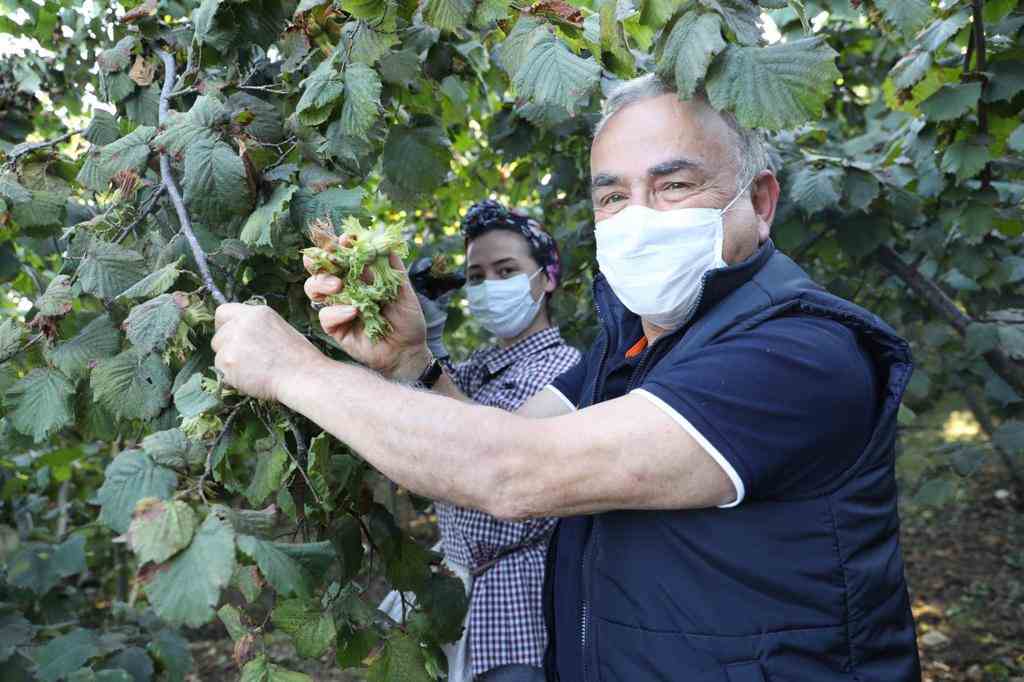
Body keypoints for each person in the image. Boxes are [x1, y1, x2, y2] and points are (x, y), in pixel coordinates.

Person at [212, 74, 922, 680]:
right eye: (611, 197)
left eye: (673, 184)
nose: (637, 217)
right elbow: (493, 456)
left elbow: (514, 474)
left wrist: (292, 370)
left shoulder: (798, 353)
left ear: (761, 203)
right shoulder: (626, 355)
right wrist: (409, 361)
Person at [380, 200, 580, 682]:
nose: (490, 285)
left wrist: (424, 354)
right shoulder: (474, 370)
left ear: (547, 278)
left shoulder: (568, 369)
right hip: (455, 596)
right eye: (476, 275)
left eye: (507, 269)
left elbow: (483, 454)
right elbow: (415, 426)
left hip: (522, 608)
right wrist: (416, 331)